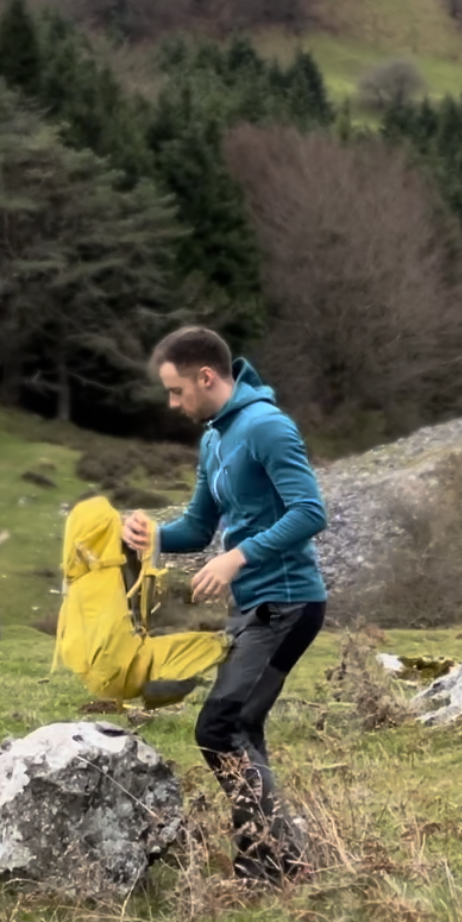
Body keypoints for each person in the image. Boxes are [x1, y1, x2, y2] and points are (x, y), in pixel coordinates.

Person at [121, 326, 327, 882]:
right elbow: (198, 525)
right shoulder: (215, 439)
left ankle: (271, 863)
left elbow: (310, 511)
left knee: (219, 727)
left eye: (176, 391)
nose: (173, 403)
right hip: (252, 608)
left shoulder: (267, 427)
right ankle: (279, 859)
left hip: (288, 603)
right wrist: (151, 536)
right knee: (241, 727)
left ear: (206, 378)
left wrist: (237, 559)